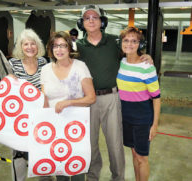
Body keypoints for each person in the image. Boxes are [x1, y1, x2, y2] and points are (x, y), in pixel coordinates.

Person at [76, 4, 153, 181]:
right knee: (90, 144)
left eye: (95, 17)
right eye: (87, 18)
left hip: (112, 98)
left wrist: (145, 56)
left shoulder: (113, 42)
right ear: (82, 23)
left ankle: (118, 178)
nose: (91, 21)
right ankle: (92, 177)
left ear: (102, 21)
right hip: (87, 100)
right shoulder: (78, 46)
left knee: (115, 144)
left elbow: (131, 52)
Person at [40, 31, 96, 181]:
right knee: (60, 167)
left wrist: (68, 102)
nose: (59, 50)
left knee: (76, 167)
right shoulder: (45, 70)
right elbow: (44, 100)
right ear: (51, 49)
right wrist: (44, 123)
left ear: (69, 48)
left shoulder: (80, 67)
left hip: (76, 126)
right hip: (55, 126)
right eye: (55, 46)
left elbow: (91, 97)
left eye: (63, 45)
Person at [9, 29, 53, 181]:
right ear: (20, 47)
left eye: (33, 43)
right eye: (25, 44)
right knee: (19, 153)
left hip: (40, 117)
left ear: (38, 46)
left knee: (42, 150)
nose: (29, 47)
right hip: (20, 118)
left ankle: (45, 178)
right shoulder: (13, 64)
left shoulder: (43, 62)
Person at [116, 27, 160, 181]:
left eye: (134, 41)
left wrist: (154, 125)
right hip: (125, 118)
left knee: (142, 157)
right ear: (121, 43)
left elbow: (156, 98)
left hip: (142, 119)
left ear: (140, 44)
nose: (129, 44)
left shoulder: (147, 67)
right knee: (134, 153)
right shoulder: (120, 63)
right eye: (126, 40)